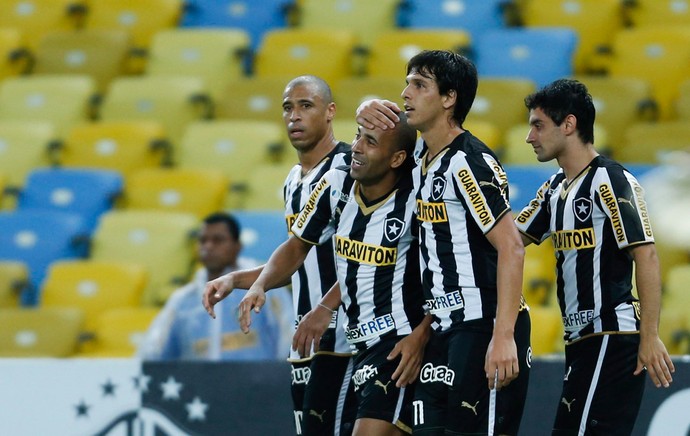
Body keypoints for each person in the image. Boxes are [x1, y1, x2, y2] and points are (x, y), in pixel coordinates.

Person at [356, 50, 531, 435]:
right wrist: (367, 106)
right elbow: (374, 146)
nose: (406, 93)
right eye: (407, 83)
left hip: (481, 326)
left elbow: (511, 246)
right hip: (442, 330)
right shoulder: (422, 158)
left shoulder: (467, 161)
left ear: (449, 98)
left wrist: (503, 336)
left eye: (419, 85)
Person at [233, 113, 430, 435]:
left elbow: (440, 274)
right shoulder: (337, 182)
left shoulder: (415, 198)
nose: (356, 148)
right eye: (357, 136)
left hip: (397, 342)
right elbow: (297, 246)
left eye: (370, 141)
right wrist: (260, 285)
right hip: (358, 342)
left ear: (397, 158)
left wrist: (422, 334)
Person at [515, 78, 675, 435]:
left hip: (612, 335)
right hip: (580, 341)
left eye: (538, 125)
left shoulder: (611, 180)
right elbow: (510, 240)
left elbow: (645, 255)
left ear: (569, 125)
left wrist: (649, 335)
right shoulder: (554, 188)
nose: (529, 137)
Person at [203, 75, 357, 435]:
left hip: (345, 337)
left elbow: (365, 256)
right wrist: (236, 280)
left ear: (330, 111)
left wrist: (326, 308)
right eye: (288, 107)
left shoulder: (350, 169)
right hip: (305, 340)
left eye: (306, 106)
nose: (294, 117)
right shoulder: (292, 179)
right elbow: (297, 258)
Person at [138, 212, 292, 360]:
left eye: (218, 240)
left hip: (261, 383)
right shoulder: (183, 300)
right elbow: (154, 352)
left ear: (237, 246)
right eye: (203, 240)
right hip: (200, 385)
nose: (208, 247)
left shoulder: (265, 287)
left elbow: (288, 336)